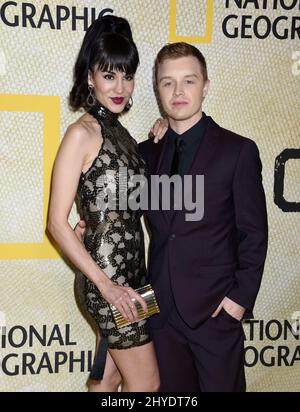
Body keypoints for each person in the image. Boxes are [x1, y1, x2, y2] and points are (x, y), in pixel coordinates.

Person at [75, 42, 268, 391]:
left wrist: (237, 304)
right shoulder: (146, 153)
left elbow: (254, 235)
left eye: (189, 81)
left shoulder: (237, 151)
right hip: (159, 312)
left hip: (215, 314)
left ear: (205, 86)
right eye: (168, 82)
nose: (178, 92)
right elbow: (117, 212)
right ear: (157, 88)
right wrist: (87, 228)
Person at [47, 15, 164, 392]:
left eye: (127, 76)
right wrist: (106, 286)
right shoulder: (81, 133)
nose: (120, 87)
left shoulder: (123, 134)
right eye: (109, 75)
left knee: (109, 379)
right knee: (146, 385)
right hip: (107, 279)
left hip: (136, 278)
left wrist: (165, 127)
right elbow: (56, 222)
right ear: (90, 78)